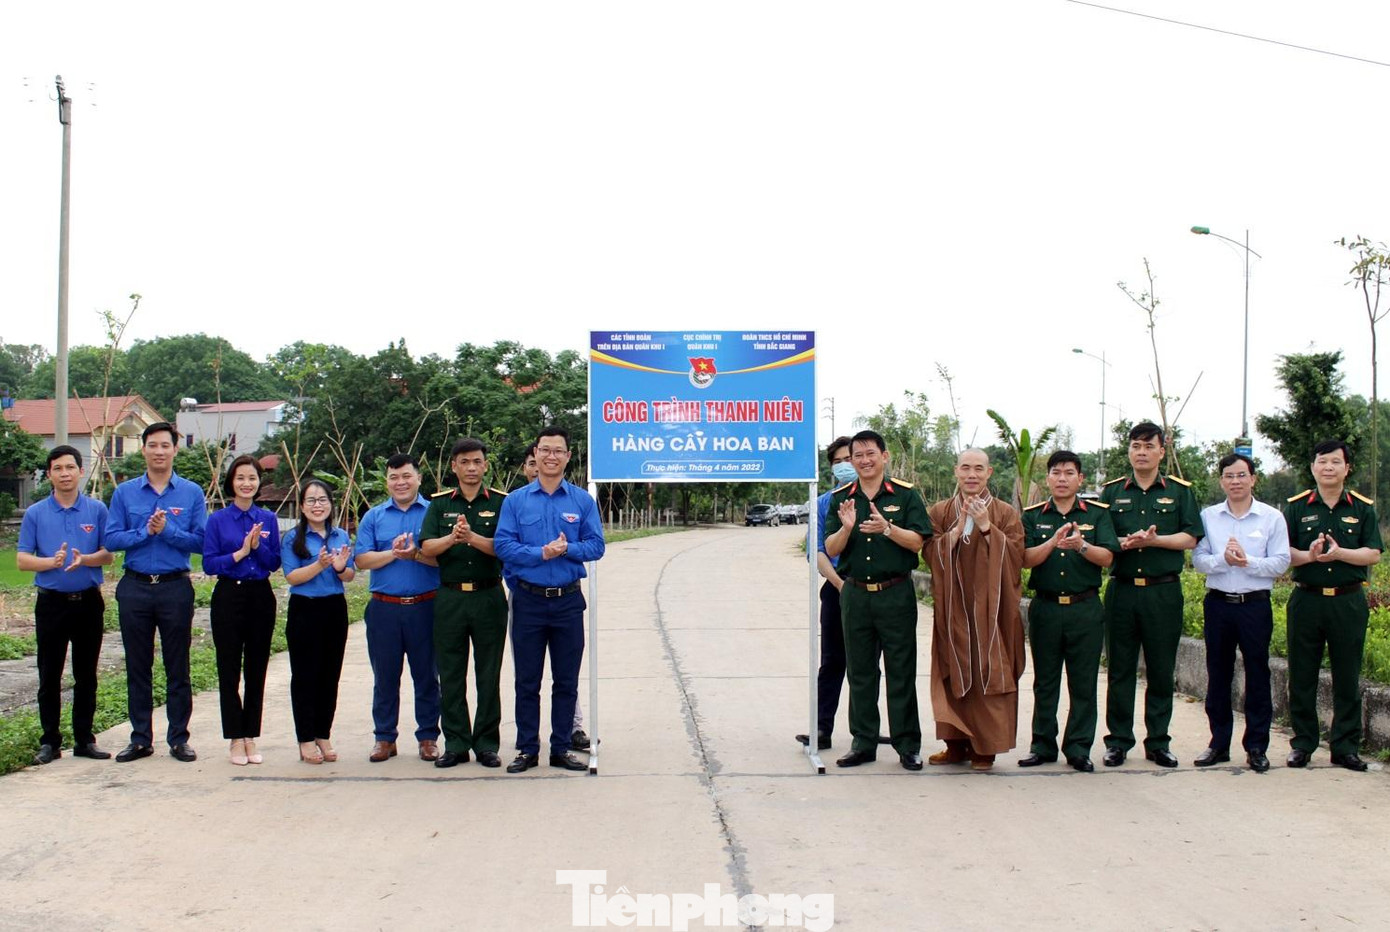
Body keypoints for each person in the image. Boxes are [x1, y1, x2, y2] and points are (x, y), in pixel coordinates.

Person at [494, 426, 606, 773]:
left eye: (558, 450)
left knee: (566, 681)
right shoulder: (515, 501)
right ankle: (527, 749)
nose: (551, 456)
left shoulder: (582, 501)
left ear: (568, 457)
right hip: (528, 601)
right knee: (527, 681)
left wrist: (566, 548)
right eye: (545, 450)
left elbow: (596, 546)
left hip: (567, 603)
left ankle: (560, 748)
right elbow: (503, 546)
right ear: (536, 454)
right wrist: (541, 553)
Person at [823, 429, 930, 771]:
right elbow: (831, 547)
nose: (864, 460)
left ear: (884, 456)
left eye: (870, 453)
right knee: (860, 672)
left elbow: (918, 542)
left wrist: (887, 528)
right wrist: (846, 528)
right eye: (858, 455)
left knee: (901, 671)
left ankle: (907, 745)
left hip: (895, 594)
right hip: (855, 595)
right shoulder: (842, 498)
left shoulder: (906, 495)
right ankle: (863, 742)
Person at [1099, 421, 1202, 768]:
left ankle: (1158, 742)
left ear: (1162, 449)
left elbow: (1191, 537)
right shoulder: (1112, 493)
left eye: (1148, 446)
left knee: (1161, 669)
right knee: (1120, 669)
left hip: (1163, 592)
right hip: (1123, 591)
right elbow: (1102, 538)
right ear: (1129, 451)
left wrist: (1156, 540)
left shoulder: (1180, 492)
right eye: (1135, 446)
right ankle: (1118, 741)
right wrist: (1123, 543)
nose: (1141, 452)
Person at [106, 421, 207, 763]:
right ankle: (140, 739)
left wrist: (167, 530)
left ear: (175, 449)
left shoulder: (191, 493)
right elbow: (111, 539)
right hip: (134, 587)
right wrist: (144, 532)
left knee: (178, 666)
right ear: (144, 449)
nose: (159, 451)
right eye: (153, 445)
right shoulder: (125, 493)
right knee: (138, 666)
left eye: (166, 445)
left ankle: (179, 738)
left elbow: (201, 542)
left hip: (174, 587)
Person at [1283, 440, 1383, 772]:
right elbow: (1284, 553)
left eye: (1336, 462)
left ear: (1346, 468)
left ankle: (1345, 747)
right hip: (1307, 599)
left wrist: (1340, 554)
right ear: (1312, 467)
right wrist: (1309, 555)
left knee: (1347, 676)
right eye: (1322, 461)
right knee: (1302, 674)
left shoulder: (1362, 508)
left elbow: (1373, 553)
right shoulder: (1296, 508)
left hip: (1348, 601)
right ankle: (1302, 744)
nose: (1328, 467)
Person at [1018, 451, 1119, 773]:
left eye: (1069, 473)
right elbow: (1024, 559)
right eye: (1056, 472)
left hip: (1084, 609)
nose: (1062, 479)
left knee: (1083, 683)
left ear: (1080, 478)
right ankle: (1042, 746)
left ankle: (1078, 748)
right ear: (1048, 478)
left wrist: (1081, 546)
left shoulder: (1098, 515)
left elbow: (1108, 558)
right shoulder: (1033, 516)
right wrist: (1051, 543)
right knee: (1045, 682)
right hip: (1046, 608)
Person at [925, 448, 1025, 771]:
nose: (971, 474)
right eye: (965, 468)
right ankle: (955, 745)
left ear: (989, 473)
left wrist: (986, 527)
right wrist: (954, 533)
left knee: (988, 673)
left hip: (990, 610)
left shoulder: (1005, 513)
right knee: (951, 669)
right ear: (956, 471)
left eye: (978, 468)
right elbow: (929, 552)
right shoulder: (941, 511)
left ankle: (985, 748)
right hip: (953, 607)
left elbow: (1016, 556)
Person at [1190, 453, 1290, 773]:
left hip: (1254, 606)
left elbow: (1281, 562)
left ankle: (1257, 746)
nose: (1235, 481)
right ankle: (1218, 744)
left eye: (1241, 475)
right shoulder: (1208, 517)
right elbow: (1198, 560)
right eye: (1229, 476)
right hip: (1219, 604)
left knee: (1258, 674)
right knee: (1218, 673)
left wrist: (1248, 562)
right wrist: (1224, 559)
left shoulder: (1271, 517)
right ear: (1221, 481)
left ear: (1253, 479)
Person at [16, 445, 114, 764]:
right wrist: (51, 562)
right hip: (51, 605)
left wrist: (84, 559)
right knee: (50, 674)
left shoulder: (96, 510)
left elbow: (108, 554)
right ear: (49, 475)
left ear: (81, 471)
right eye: (57, 468)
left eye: (70, 467)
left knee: (86, 675)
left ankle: (84, 739)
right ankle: (50, 741)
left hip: (88, 603)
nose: (65, 473)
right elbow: (22, 559)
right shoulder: (36, 513)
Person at [795, 436, 890, 751]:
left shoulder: (880, 497)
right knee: (833, 660)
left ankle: (867, 728)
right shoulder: (825, 502)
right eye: (837, 462)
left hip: (872, 590)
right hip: (838, 588)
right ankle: (821, 728)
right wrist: (839, 585)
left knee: (868, 664)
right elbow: (817, 551)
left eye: (849, 459)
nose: (845, 466)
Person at [419, 438, 509, 769]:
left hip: (488, 596)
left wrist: (472, 537)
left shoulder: (501, 503)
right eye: (465, 462)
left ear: (486, 465)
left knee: (489, 673)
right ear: (454, 467)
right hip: (451, 597)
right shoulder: (439, 505)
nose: (471, 468)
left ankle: (486, 743)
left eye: (477, 461)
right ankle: (456, 743)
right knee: (451, 673)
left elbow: (505, 547)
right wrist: (452, 538)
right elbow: (426, 548)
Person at [353, 453, 443, 763]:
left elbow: (445, 558)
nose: (400, 482)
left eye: (406, 476)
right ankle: (384, 738)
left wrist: (416, 554)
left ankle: (428, 737)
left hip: (425, 606)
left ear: (419, 478)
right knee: (385, 676)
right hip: (384, 609)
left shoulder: (434, 513)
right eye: (394, 477)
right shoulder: (374, 516)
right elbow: (362, 559)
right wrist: (393, 553)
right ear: (387, 482)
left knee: (427, 676)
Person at [202, 455, 282, 765]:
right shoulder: (217, 520)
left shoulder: (268, 519)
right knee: (229, 668)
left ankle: (250, 735)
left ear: (259, 483)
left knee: (257, 668)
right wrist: (241, 552)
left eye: (252, 478)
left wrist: (258, 547)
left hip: (260, 595)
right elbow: (209, 564)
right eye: (240, 478)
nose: (246, 483)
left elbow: (273, 563)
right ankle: (235, 737)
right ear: (231, 482)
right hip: (228, 595)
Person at [280, 479, 355, 764]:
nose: (317, 505)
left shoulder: (340, 535)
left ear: (331, 505)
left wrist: (340, 568)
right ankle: (306, 738)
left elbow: (349, 575)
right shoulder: (293, 538)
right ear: (301, 506)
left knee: (329, 674)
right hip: (305, 609)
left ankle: (323, 733)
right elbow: (292, 577)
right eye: (311, 500)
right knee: (304, 676)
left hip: (334, 608)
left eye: (323, 499)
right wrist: (319, 565)